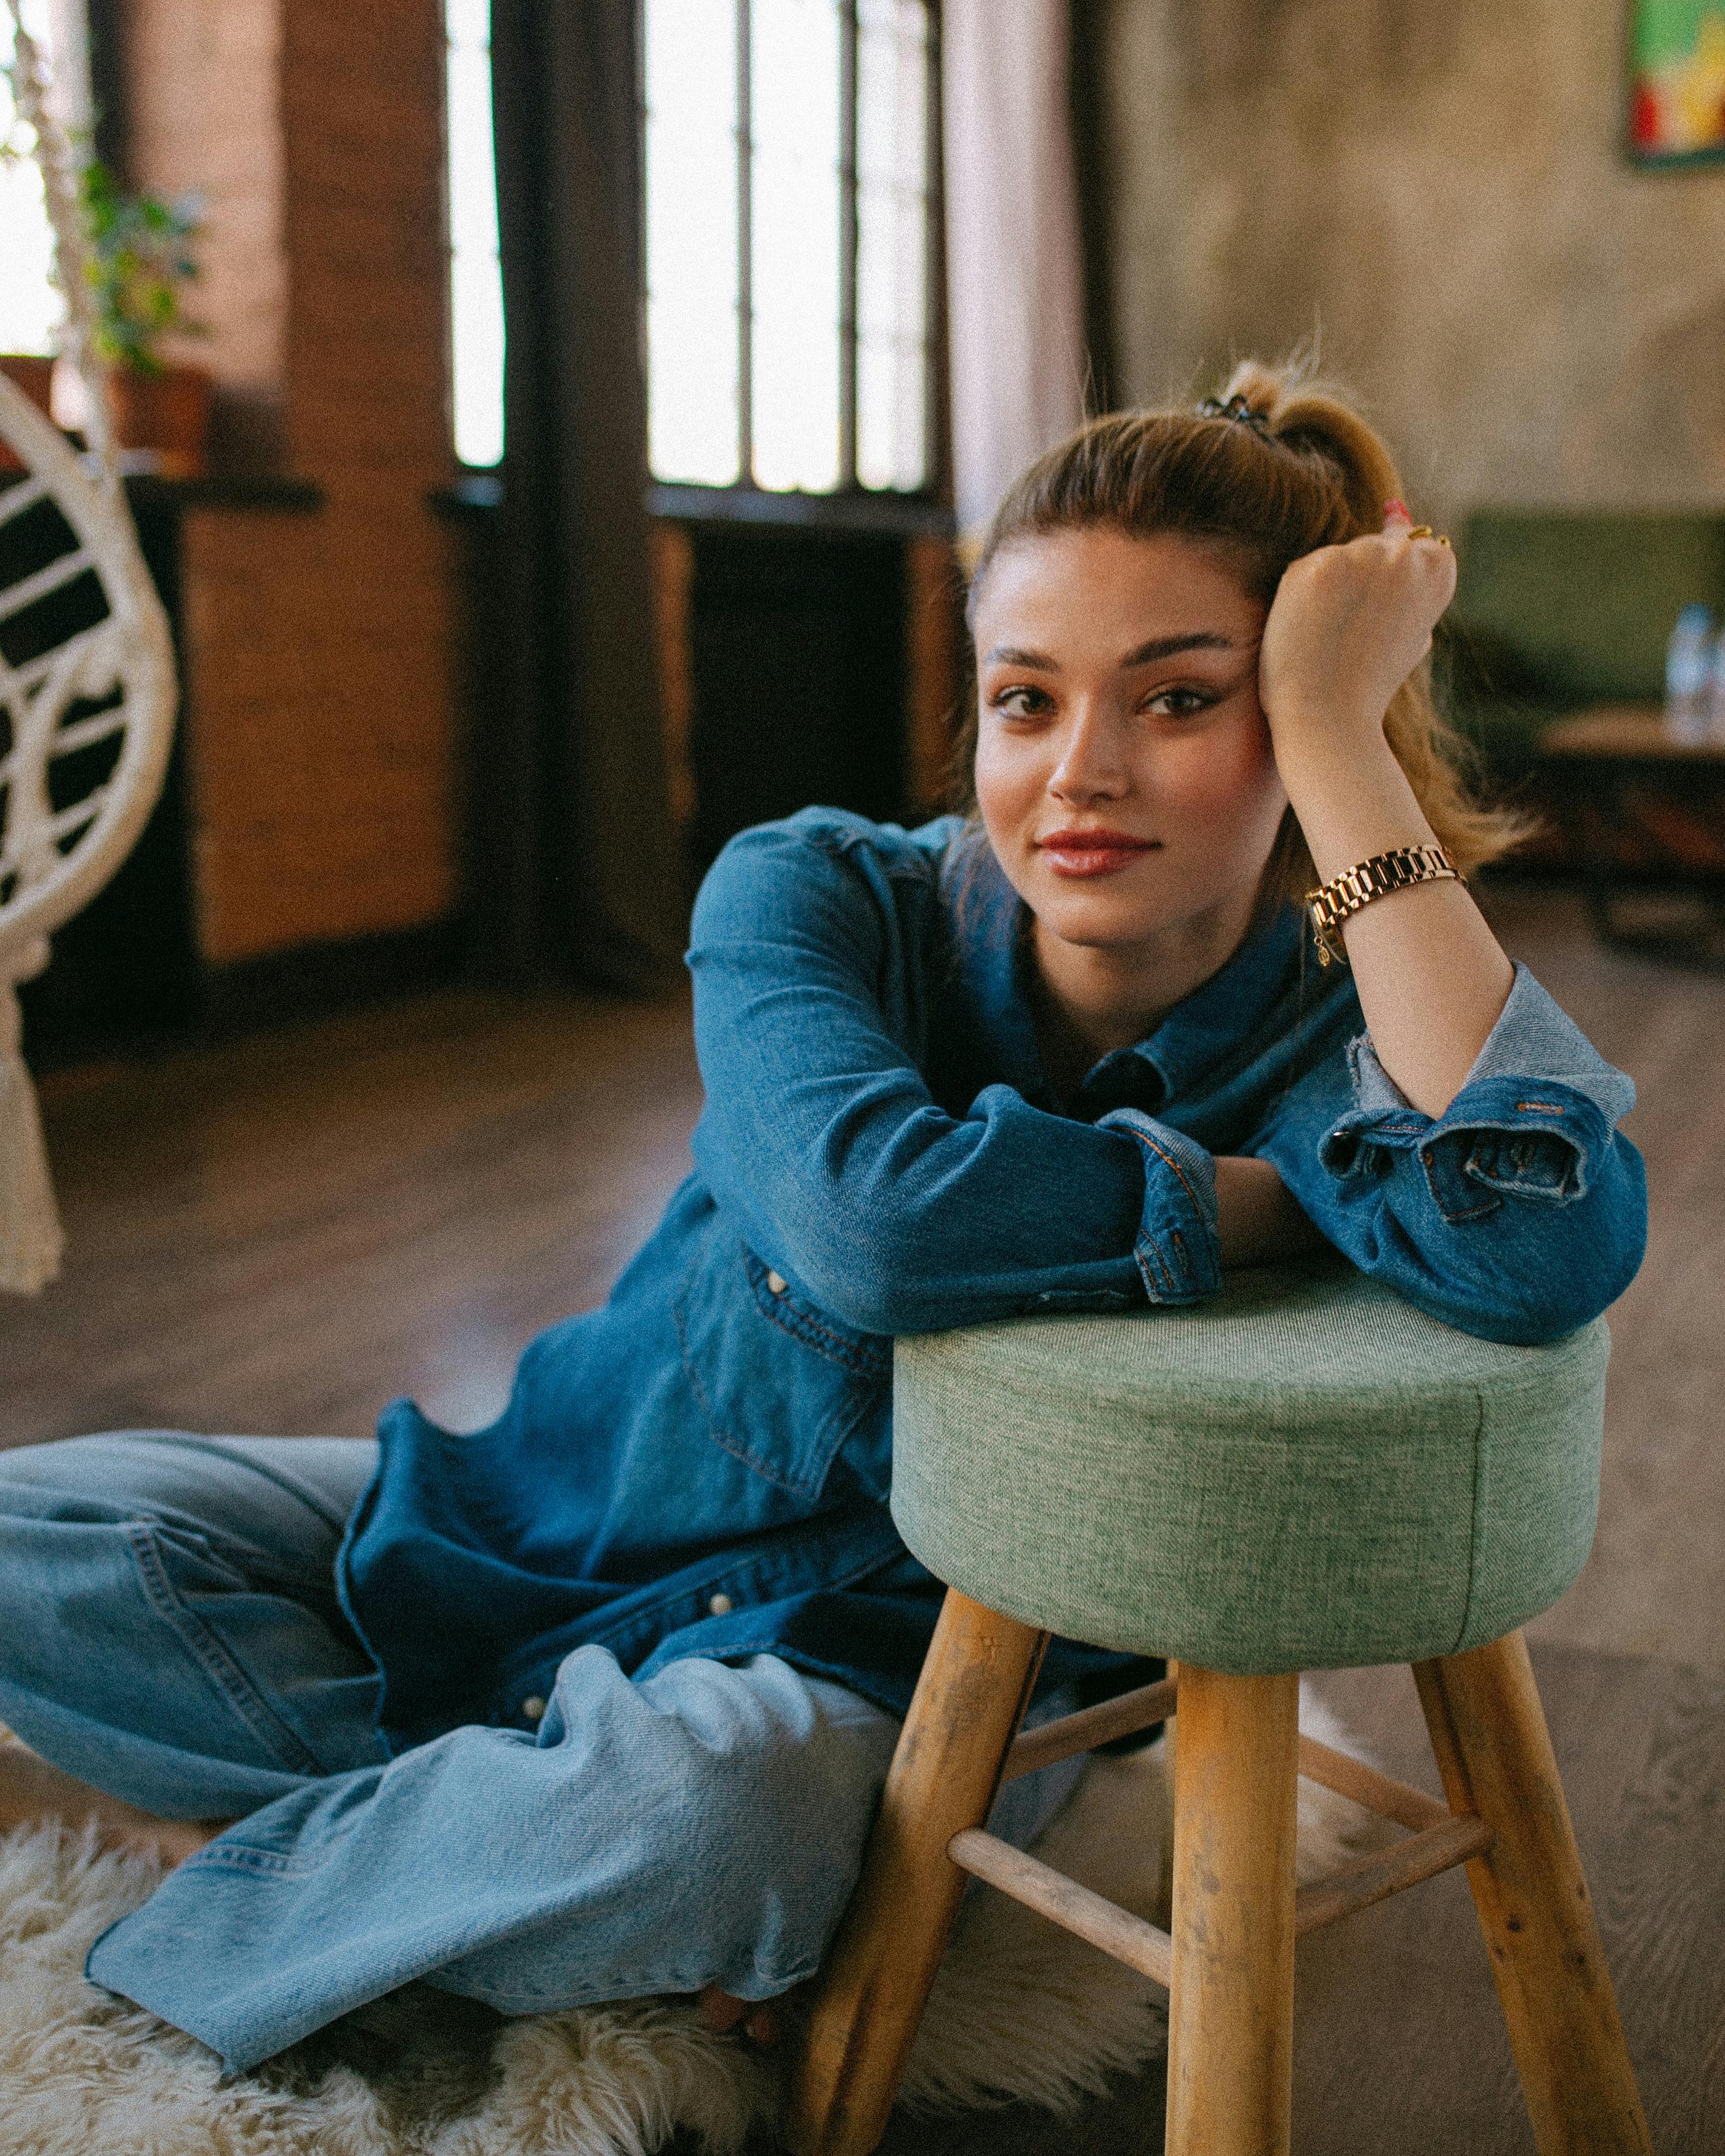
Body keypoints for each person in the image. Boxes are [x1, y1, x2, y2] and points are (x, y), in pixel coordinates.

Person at [0, 361, 1645, 2072]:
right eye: (1026, 698)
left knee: (716, 1828)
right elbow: (874, 1221)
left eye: (1178, 700)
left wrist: (1341, 740)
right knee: (27, 1543)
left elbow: (1544, 1233)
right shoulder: (812, 894)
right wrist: (1244, 1204)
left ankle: (253, 1928)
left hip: (843, 1680)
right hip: (545, 1514)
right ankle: (460, 1856)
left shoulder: (1324, 1027)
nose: (1078, 773)